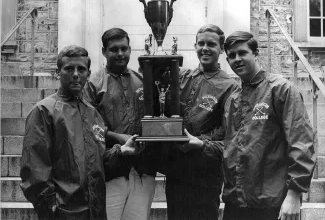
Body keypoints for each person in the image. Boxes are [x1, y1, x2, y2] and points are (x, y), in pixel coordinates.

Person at [20, 46, 143, 220]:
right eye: (69, 68)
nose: (76, 74)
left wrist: (120, 152)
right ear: (58, 72)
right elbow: (34, 172)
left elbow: (98, 164)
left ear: (88, 73)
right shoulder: (43, 111)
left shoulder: (93, 113)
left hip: (96, 211)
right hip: (63, 213)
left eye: (81, 69)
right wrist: (52, 209)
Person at [221, 31, 316, 220]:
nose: (236, 59)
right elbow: (232, 149)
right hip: (236, 202)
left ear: (256, 53)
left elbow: (301, 143)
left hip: (273, 203)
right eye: (231, 56)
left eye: (242, 53)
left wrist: (294, 194)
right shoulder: (233, 99)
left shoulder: (282, 90)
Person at [159, 24, 238, 220]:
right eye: (200, 43)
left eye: (211, 44)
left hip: (205, 172)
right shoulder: (182, 77)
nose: (205, 48)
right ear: (194, 46)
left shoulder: (229, 86)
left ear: (221, 49)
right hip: (176, 169)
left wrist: (197, 142)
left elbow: (226, 129)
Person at [83, 28, 156, 220]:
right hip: (110, 172)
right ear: (104, 51)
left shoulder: (142, 81)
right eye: (114, 49)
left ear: (130, 49)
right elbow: (89, 124)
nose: (120, 54)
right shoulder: (93, 83)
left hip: (142, 171)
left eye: (124, 48)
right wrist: (118, 138)